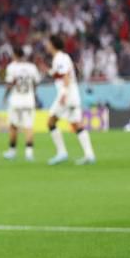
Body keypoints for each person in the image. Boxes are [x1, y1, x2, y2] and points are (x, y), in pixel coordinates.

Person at [46, 34, 96, 165]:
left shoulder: (59, 58)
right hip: (73, 94)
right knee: (76, 124)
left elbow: (66, 76)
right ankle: (89, 154)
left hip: (66, 95)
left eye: (48, 43)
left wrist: (63, 94)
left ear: (52, 45)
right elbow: (63, 73)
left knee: (51, 122)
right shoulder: (63, 57)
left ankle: (62, 152)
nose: (46, 46)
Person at [3, 45, 40, 161]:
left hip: (16, 100)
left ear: (14, 55)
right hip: (29, 100)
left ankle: (12, 151)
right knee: (28, 127)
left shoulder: (11, 67)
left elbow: (9, 84)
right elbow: (36, 82)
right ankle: (29, 153)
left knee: (13, 126)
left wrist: (5, 96)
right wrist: (33, 93)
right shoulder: (32, 67)